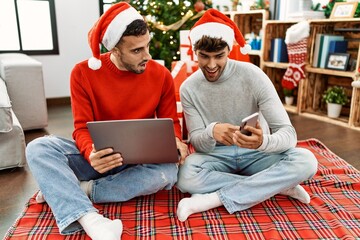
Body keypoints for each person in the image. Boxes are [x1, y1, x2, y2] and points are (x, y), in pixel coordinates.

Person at [26, 2, 188, 240]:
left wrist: (175, 140)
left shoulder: (161, 75)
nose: (148, 56)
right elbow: (81, 127)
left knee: (168, 173)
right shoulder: (82, 73)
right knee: (38, 147)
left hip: (138, 160)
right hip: (96, 158)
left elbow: (170, 122)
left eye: (147, 46)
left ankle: (73, 190)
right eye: (136, 51)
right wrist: (92, 152)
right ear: (114, 50)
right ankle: (91, 220)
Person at [176, 9, 318, 222]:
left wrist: (263, 142)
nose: (211, 65)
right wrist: (211, 131)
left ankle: (212, 199)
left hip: (257, 154)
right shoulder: (189, 88)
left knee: (306, 161)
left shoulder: (253, 75)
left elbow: (288, 135)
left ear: (229, 49)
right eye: (204, 57)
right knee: (184, 175)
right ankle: (275, 186)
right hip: (218, 156)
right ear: (195, 51)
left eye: (219, 56)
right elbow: (198, 143)